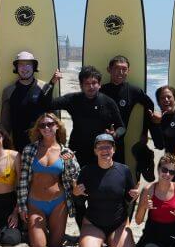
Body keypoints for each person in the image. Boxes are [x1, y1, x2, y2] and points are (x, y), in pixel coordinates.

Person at [40, 65, 125, 228]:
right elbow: (46, 104)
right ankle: (84, 229)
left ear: (99, 84)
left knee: (98, 194)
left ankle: (99, 228)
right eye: (87, 83)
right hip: (77, 154)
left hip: (100, 155)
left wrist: (116, 135)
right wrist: (52, 83)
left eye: (94, 83)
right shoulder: (74, 99)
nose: (91, 86)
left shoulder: (108, 102)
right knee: (77, 194)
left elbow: (122, 126)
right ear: (81, 85)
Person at [17, 112, 79, 247]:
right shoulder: (30, 149)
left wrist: (68, 162)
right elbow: (23, 179)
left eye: (50, 124)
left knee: (55, 246)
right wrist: (22, 206)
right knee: (39, 246)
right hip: (35, 203)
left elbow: (73, 179)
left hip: (58, 203)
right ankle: (36, 232)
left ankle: (46, 231)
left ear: (57, 126)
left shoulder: (66, 151)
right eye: (42, 125)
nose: (46, 128)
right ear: (38, 129)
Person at [73, 134, 138, 247]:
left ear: (113, 150)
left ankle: (110, 240)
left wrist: (133, 196)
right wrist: (75, 194)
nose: (104, 150)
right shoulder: (86, 171)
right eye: (100, 147)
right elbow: (80, 203)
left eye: (108, 147)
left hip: (118, 224)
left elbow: (127, 199)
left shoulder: (124, 170)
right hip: (94, 224)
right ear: (95, 151)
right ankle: (102, 241)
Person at [99, 55, 156, 165]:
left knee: (118, 174)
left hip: (119, 142)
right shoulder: (101, 90)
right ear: (109, 70)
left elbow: (150, 105)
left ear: (128, 71)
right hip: (99, 141)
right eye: (116, 68)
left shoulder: (133, 91)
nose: (120, 72)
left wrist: (144, 131)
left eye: (124, 69)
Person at [0, 51, 49, 151]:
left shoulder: (44, 87)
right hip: (17, 144)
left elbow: (53, 116)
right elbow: (5, 122)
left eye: (28, 65)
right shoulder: (8, 91)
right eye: (21, 65)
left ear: (34, 67)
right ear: (16, 68)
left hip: (42, 143)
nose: (24, 68)